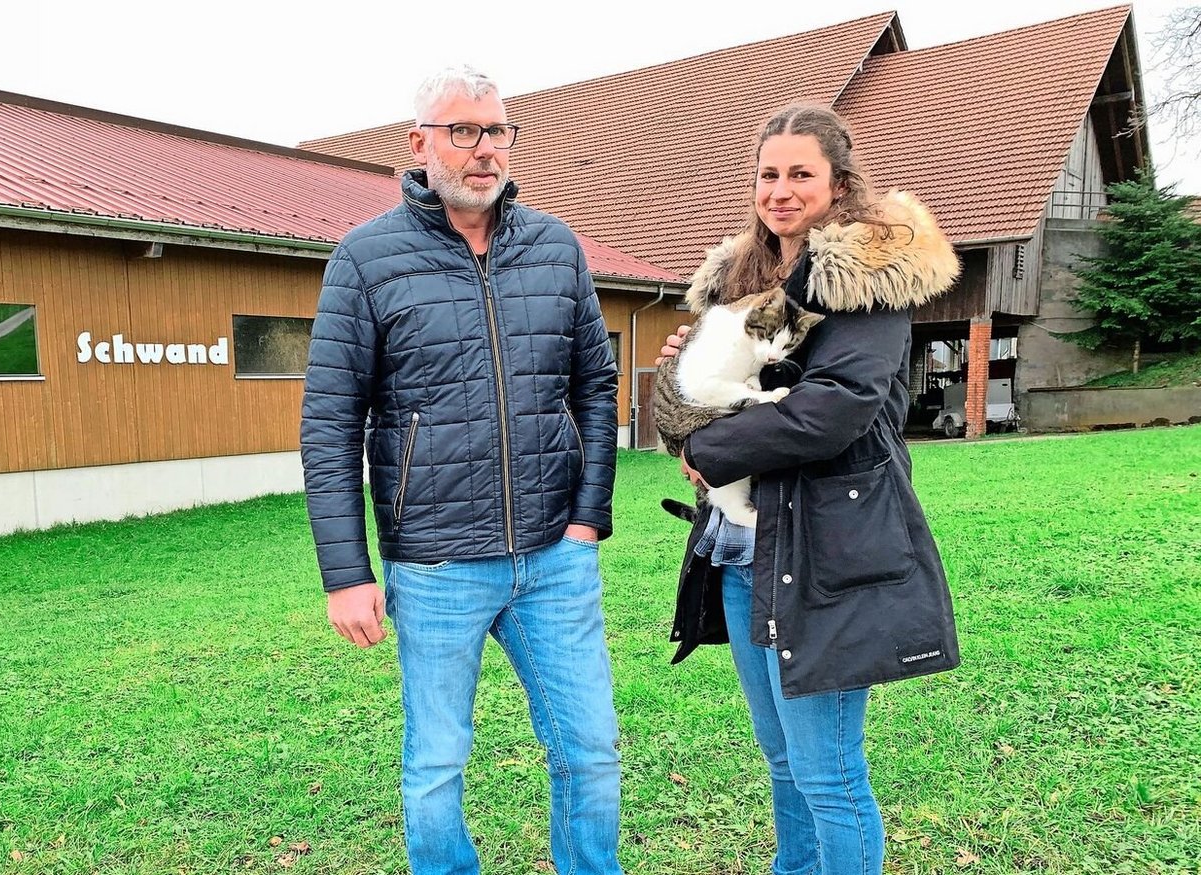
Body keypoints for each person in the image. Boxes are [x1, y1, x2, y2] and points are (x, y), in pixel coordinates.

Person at [300, 66, 623, 875]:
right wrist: (347, 571)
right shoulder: (365, 260)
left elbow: (595, 383)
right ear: (420, 143)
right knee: (437, 770)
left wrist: (587, 520)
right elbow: (330, 421)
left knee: (591, 753)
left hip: (555, 560)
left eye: (498, 130)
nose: (485, 149)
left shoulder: (555, 245)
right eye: (463, 131)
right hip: (436, 564)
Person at [656, 104, 962, 875]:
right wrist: (686, 370)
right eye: (769, 174)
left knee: (828, 771)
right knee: (784, 760)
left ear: (839, 183)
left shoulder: (867, 276)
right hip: (736, 552)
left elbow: (837, 410)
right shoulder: (740, 279)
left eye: (801, 174)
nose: (781, 190)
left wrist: (707, 445)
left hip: (825, 552)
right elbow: (712, 384)